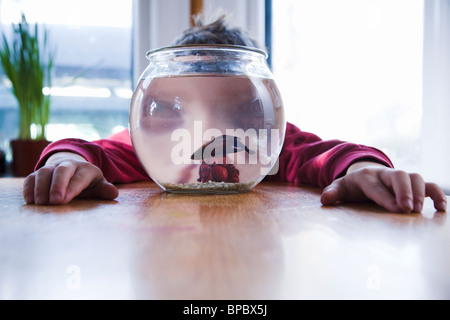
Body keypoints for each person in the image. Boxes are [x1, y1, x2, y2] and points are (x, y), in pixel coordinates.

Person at [22, 16, 447, 213]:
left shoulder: (272, 146)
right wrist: (66, 164)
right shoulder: (152, 146)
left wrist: (366, 168)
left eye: (238, 109)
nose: (208, 132)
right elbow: (87, 150)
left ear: (262, 112)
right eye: (181, 110)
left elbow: (329, 154)